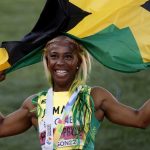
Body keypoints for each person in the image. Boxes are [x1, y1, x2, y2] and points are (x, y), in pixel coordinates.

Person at [0, 35, 150, 150]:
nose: (60, 62)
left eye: (68, 56)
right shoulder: (35, 104)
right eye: (54, 56)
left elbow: (140, 119)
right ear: (46, 60)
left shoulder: (94, 97)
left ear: (79, 61)